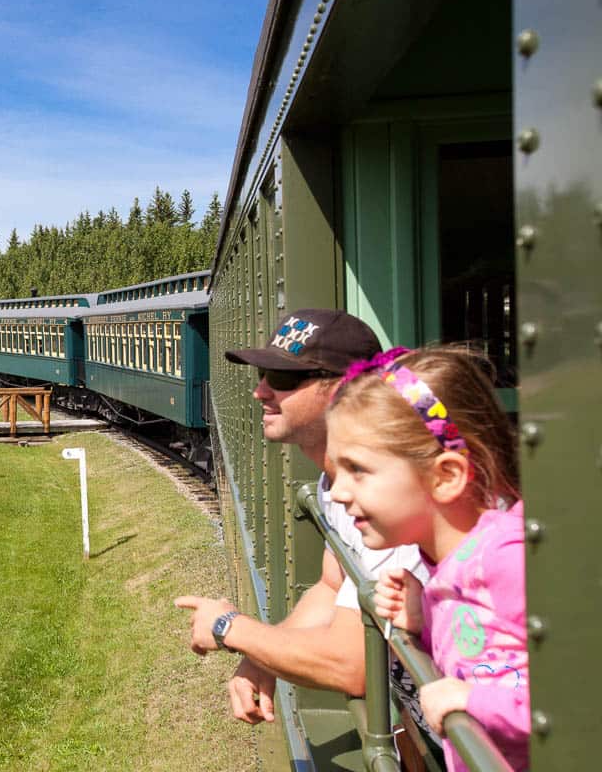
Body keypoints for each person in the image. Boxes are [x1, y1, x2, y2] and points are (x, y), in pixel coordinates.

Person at [175, 309, 436, 761]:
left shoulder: (393, 501)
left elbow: (354, 666)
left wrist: (229, 628)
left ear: (343, 389)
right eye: (262, 374)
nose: (260, 391)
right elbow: (332, 585)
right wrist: (262, 656)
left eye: (281, 377)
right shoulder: (336, 484)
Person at [326, 346, 528, 772]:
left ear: (446, 476)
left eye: (357, 469)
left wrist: (475, 702)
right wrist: (426, 621)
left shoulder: (509, 558)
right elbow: (493, 649)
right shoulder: (449, 564)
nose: (337, 492)